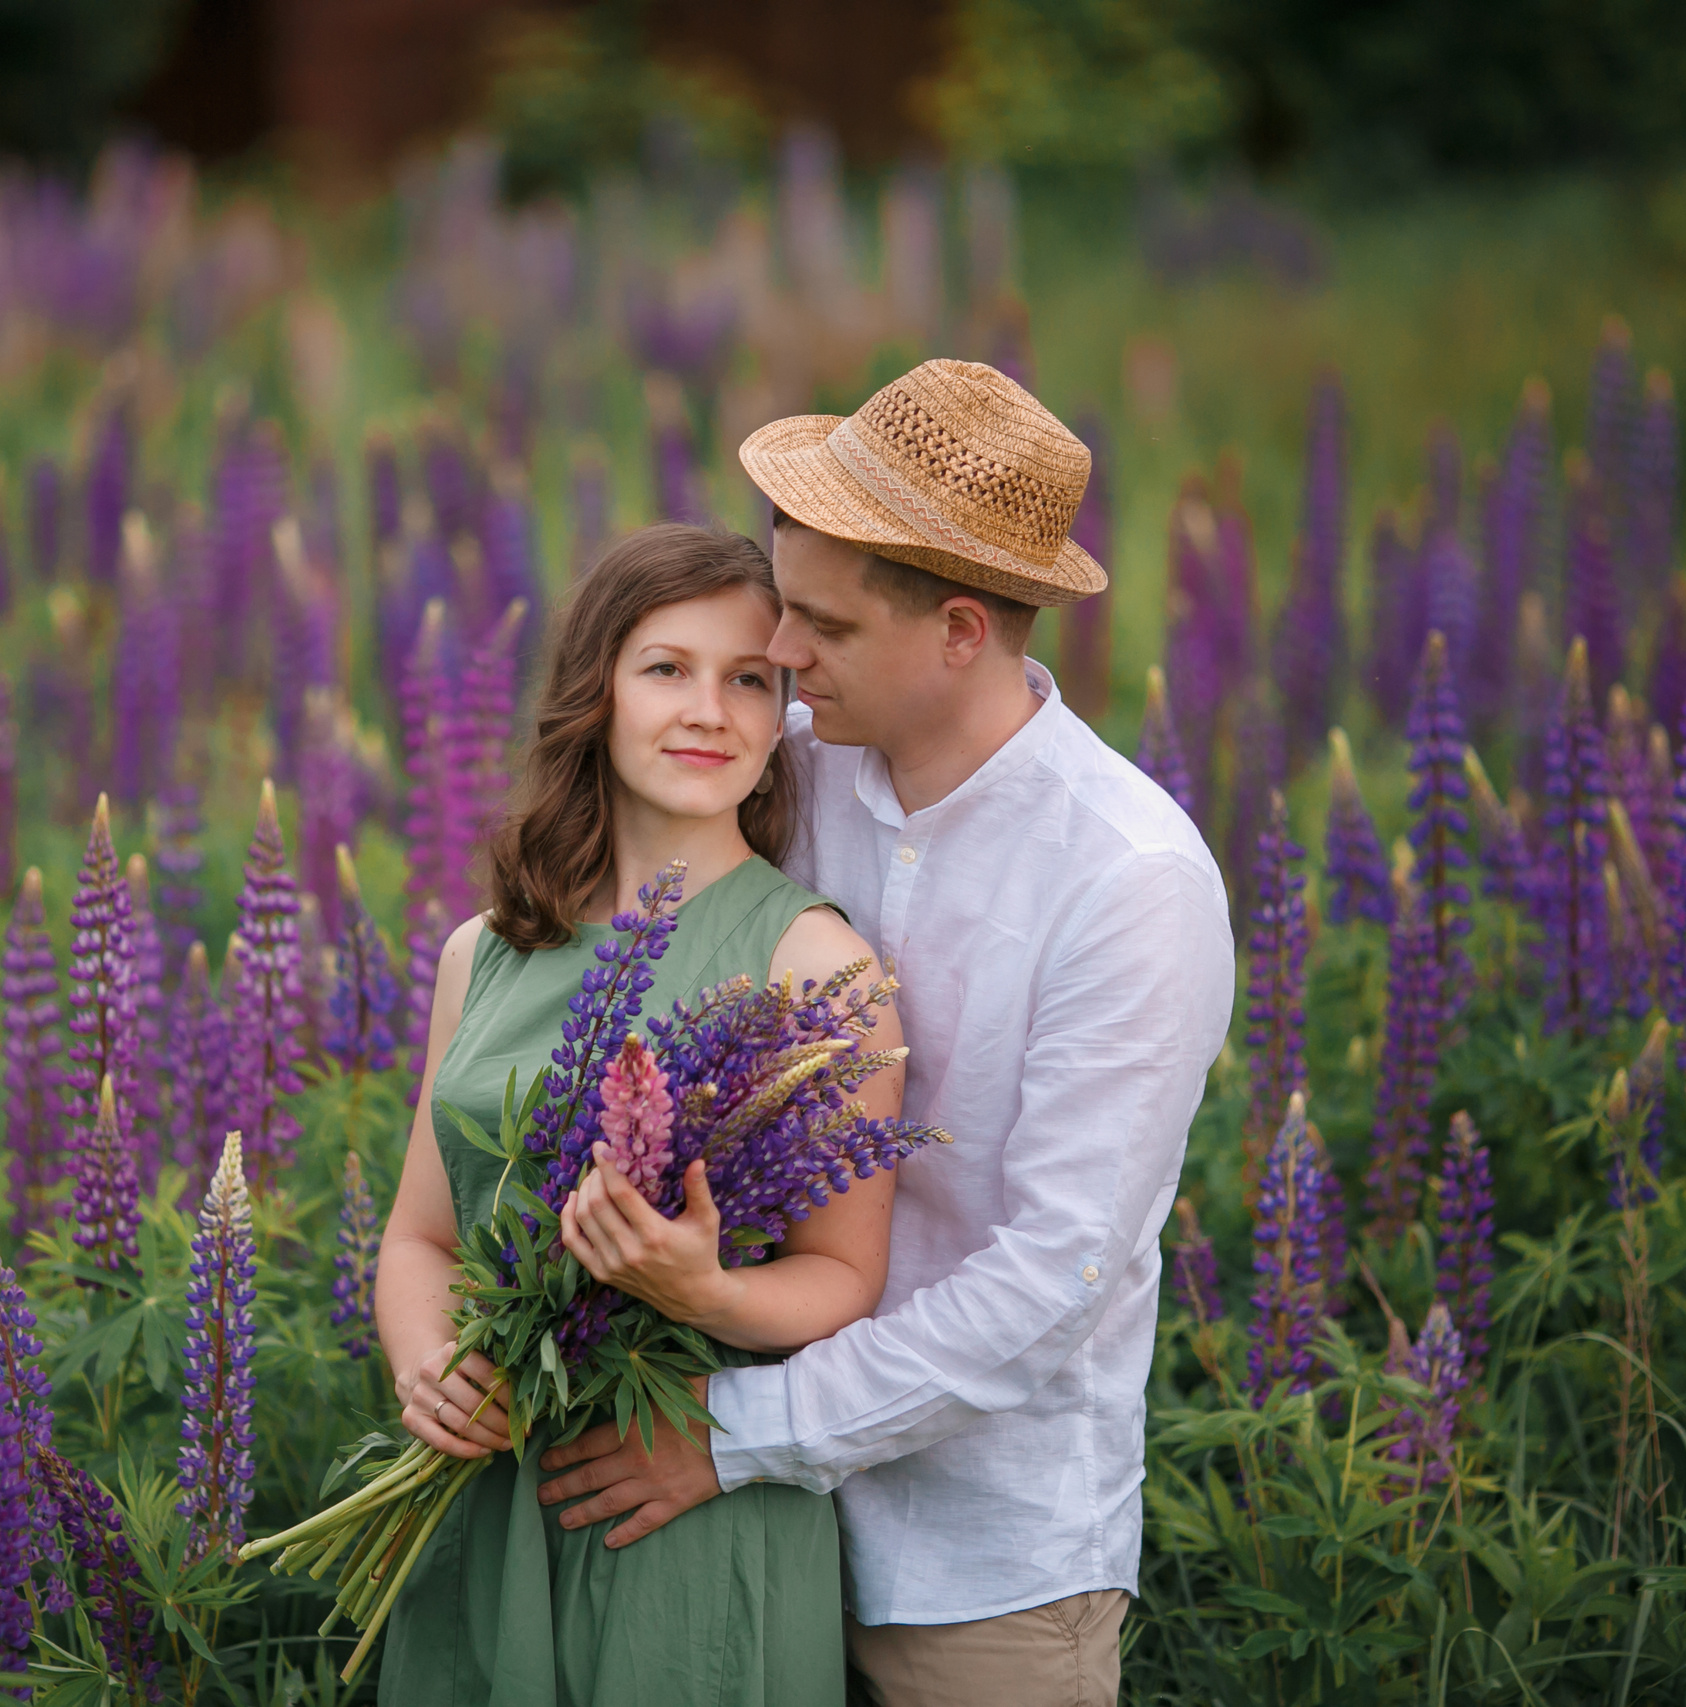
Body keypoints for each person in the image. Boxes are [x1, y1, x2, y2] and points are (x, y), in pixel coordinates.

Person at [533, 359, 1236, 1707]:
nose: (782, 656)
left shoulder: (1129, 877)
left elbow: (1049, 1282)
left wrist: (735, 1434)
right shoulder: (792, 766)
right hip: (735, 1523)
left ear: (962, 631)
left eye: (824, 626)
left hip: (977, 1560)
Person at [372, 523, 907, 1706]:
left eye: (749, 680)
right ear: (596, 694)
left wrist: (701, 1291)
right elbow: (421, 1235)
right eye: (666, 668)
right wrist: (427, 1373)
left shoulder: (820, 969)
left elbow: (842, 1278)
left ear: (781, 726)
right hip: (486, 1485)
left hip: (678, 1506)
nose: (707, 709)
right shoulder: (485, 950)